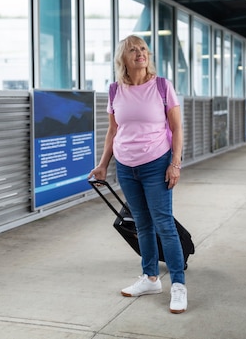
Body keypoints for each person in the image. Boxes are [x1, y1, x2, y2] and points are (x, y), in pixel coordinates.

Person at [88, 34, 187, 314]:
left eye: (143, 48)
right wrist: (103, 164)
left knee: (164, 224)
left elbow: (177, 128)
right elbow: (113, 130)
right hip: (126, 166)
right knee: (142, 224)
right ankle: (151, 278)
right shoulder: (114, 90)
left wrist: (175, 163)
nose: (140, 53)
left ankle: (178, 285)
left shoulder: (161, 86)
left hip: (157, 163)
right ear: (123, 58)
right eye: (133, 50)